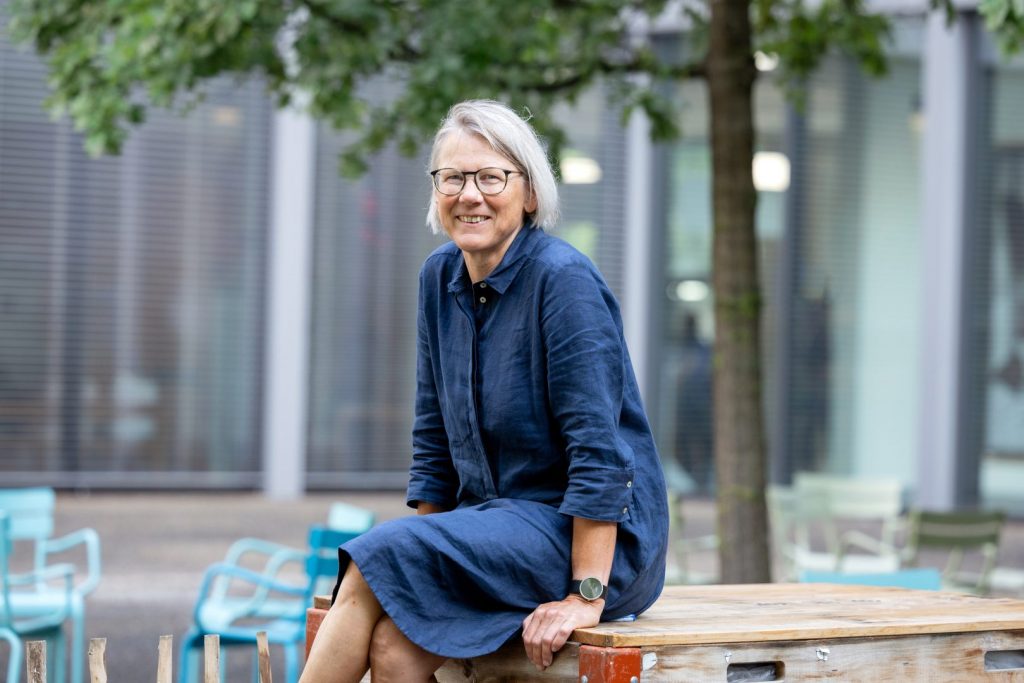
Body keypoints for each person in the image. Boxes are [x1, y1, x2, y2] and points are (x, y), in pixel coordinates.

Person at [300, 100, 668, 683]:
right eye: (453, 177)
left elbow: (599, 454)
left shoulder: (562, 281)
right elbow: (433, 438)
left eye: (491, 176)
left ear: (529, 194)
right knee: (395, 648)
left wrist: (585, 595)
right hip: (493, 534)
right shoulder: (437, 278)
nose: (470, 193)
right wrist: (429, 562)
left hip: (588, 543)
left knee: (375, 560)